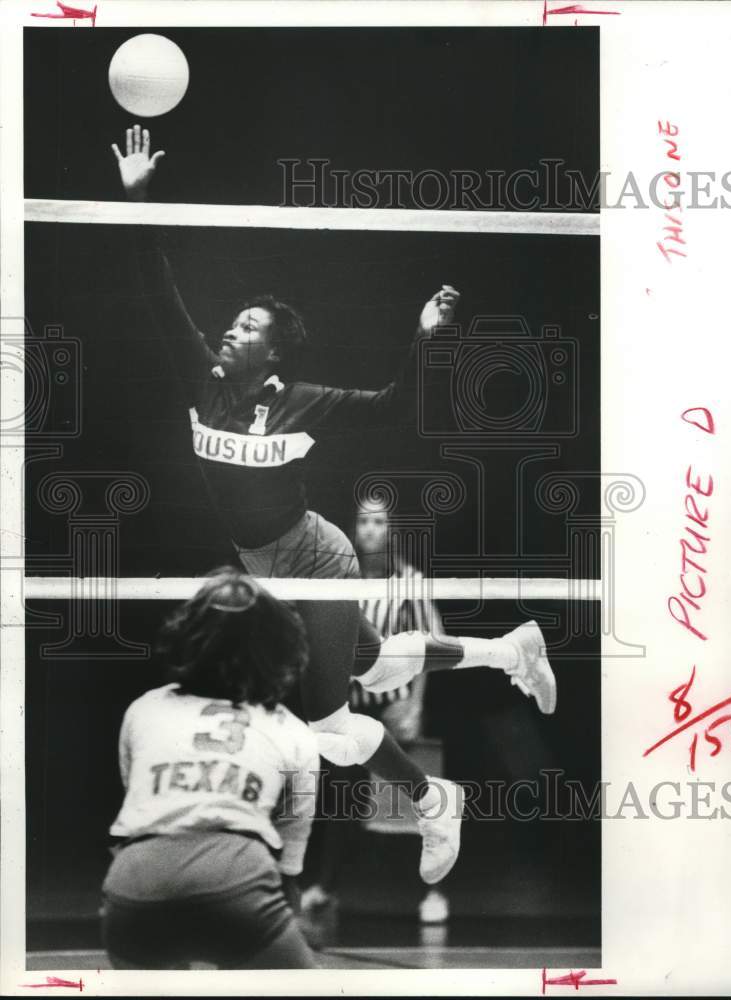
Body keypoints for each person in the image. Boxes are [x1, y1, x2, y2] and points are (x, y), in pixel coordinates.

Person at [111, 126, 557, 888]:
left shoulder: (304, 401)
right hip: (267, 564)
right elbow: (158, 286)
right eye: (233, 322)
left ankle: (432, 801)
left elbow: (394, 407)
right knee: (375, 664)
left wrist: (425, 337)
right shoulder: (203, 381)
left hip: (316, 558)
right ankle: (510, 651)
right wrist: (136, 196)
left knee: (327, 725)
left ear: (275, 351)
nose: (231, 329)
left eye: (249, 326)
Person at [101, 568, 319, 969]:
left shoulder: (144, 709)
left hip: (133, 884)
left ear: (185, 637)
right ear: (279, 648)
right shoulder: (294, 732)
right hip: (237, 877)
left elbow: (143, 808)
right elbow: (288, 871)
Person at [302, 498, 450, 925]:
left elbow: (434, 642)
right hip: (351, 706)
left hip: (395, 704)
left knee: (417, 798)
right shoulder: (340, 579)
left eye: (379, 522)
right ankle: (327, 888)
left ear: (392, 530)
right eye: (363, 522)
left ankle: (435, 891)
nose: (369, 530)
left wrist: (416, 704)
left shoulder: (410, 582)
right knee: (342, 800)